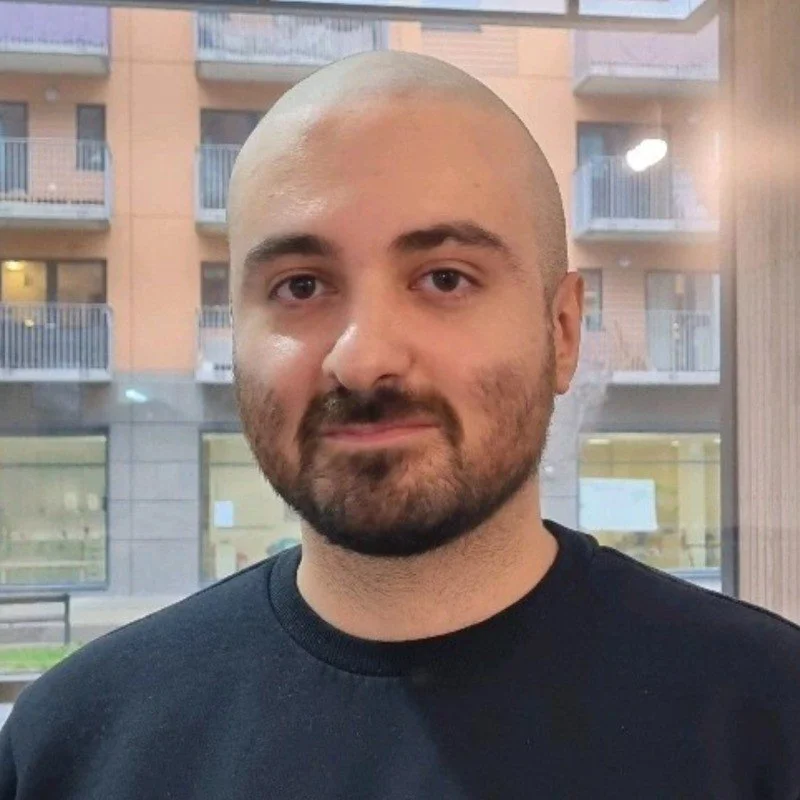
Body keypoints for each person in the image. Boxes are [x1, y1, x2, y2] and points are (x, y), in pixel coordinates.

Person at [1, 51, 799, 799]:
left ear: (561, 332)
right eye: (302, 285)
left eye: (445, 278)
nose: (363, 357)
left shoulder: (769, 720)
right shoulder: (70, 750)